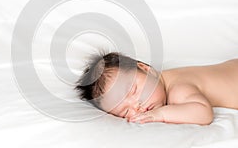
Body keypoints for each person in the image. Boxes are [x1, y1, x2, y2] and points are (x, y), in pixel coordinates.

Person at [74, 52, 238, 125]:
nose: (137, 106)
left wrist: (160, 114)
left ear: (146, 69)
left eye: (134, 90)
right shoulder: (168, 77)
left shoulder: (178, 90)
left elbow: (203, 113)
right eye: (125, 111)